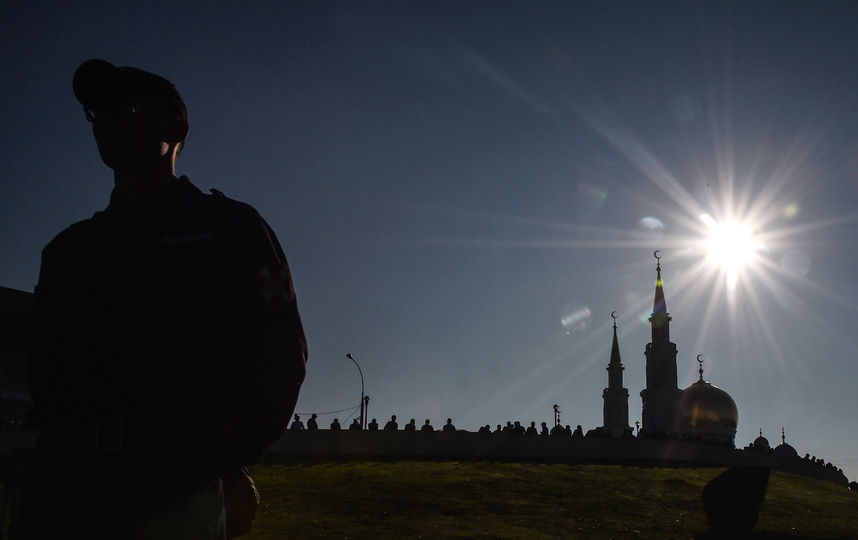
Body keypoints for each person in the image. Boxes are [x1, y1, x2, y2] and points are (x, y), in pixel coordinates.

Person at [21, 59, 307, 539]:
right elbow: (47, 372)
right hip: (65, 489)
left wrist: (220, 459)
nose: (109, 120)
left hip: (174, 489)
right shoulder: (69, 251)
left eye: (127, 107)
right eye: (99, 111)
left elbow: (281, 353)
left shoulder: (231, 230)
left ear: (176, 128)